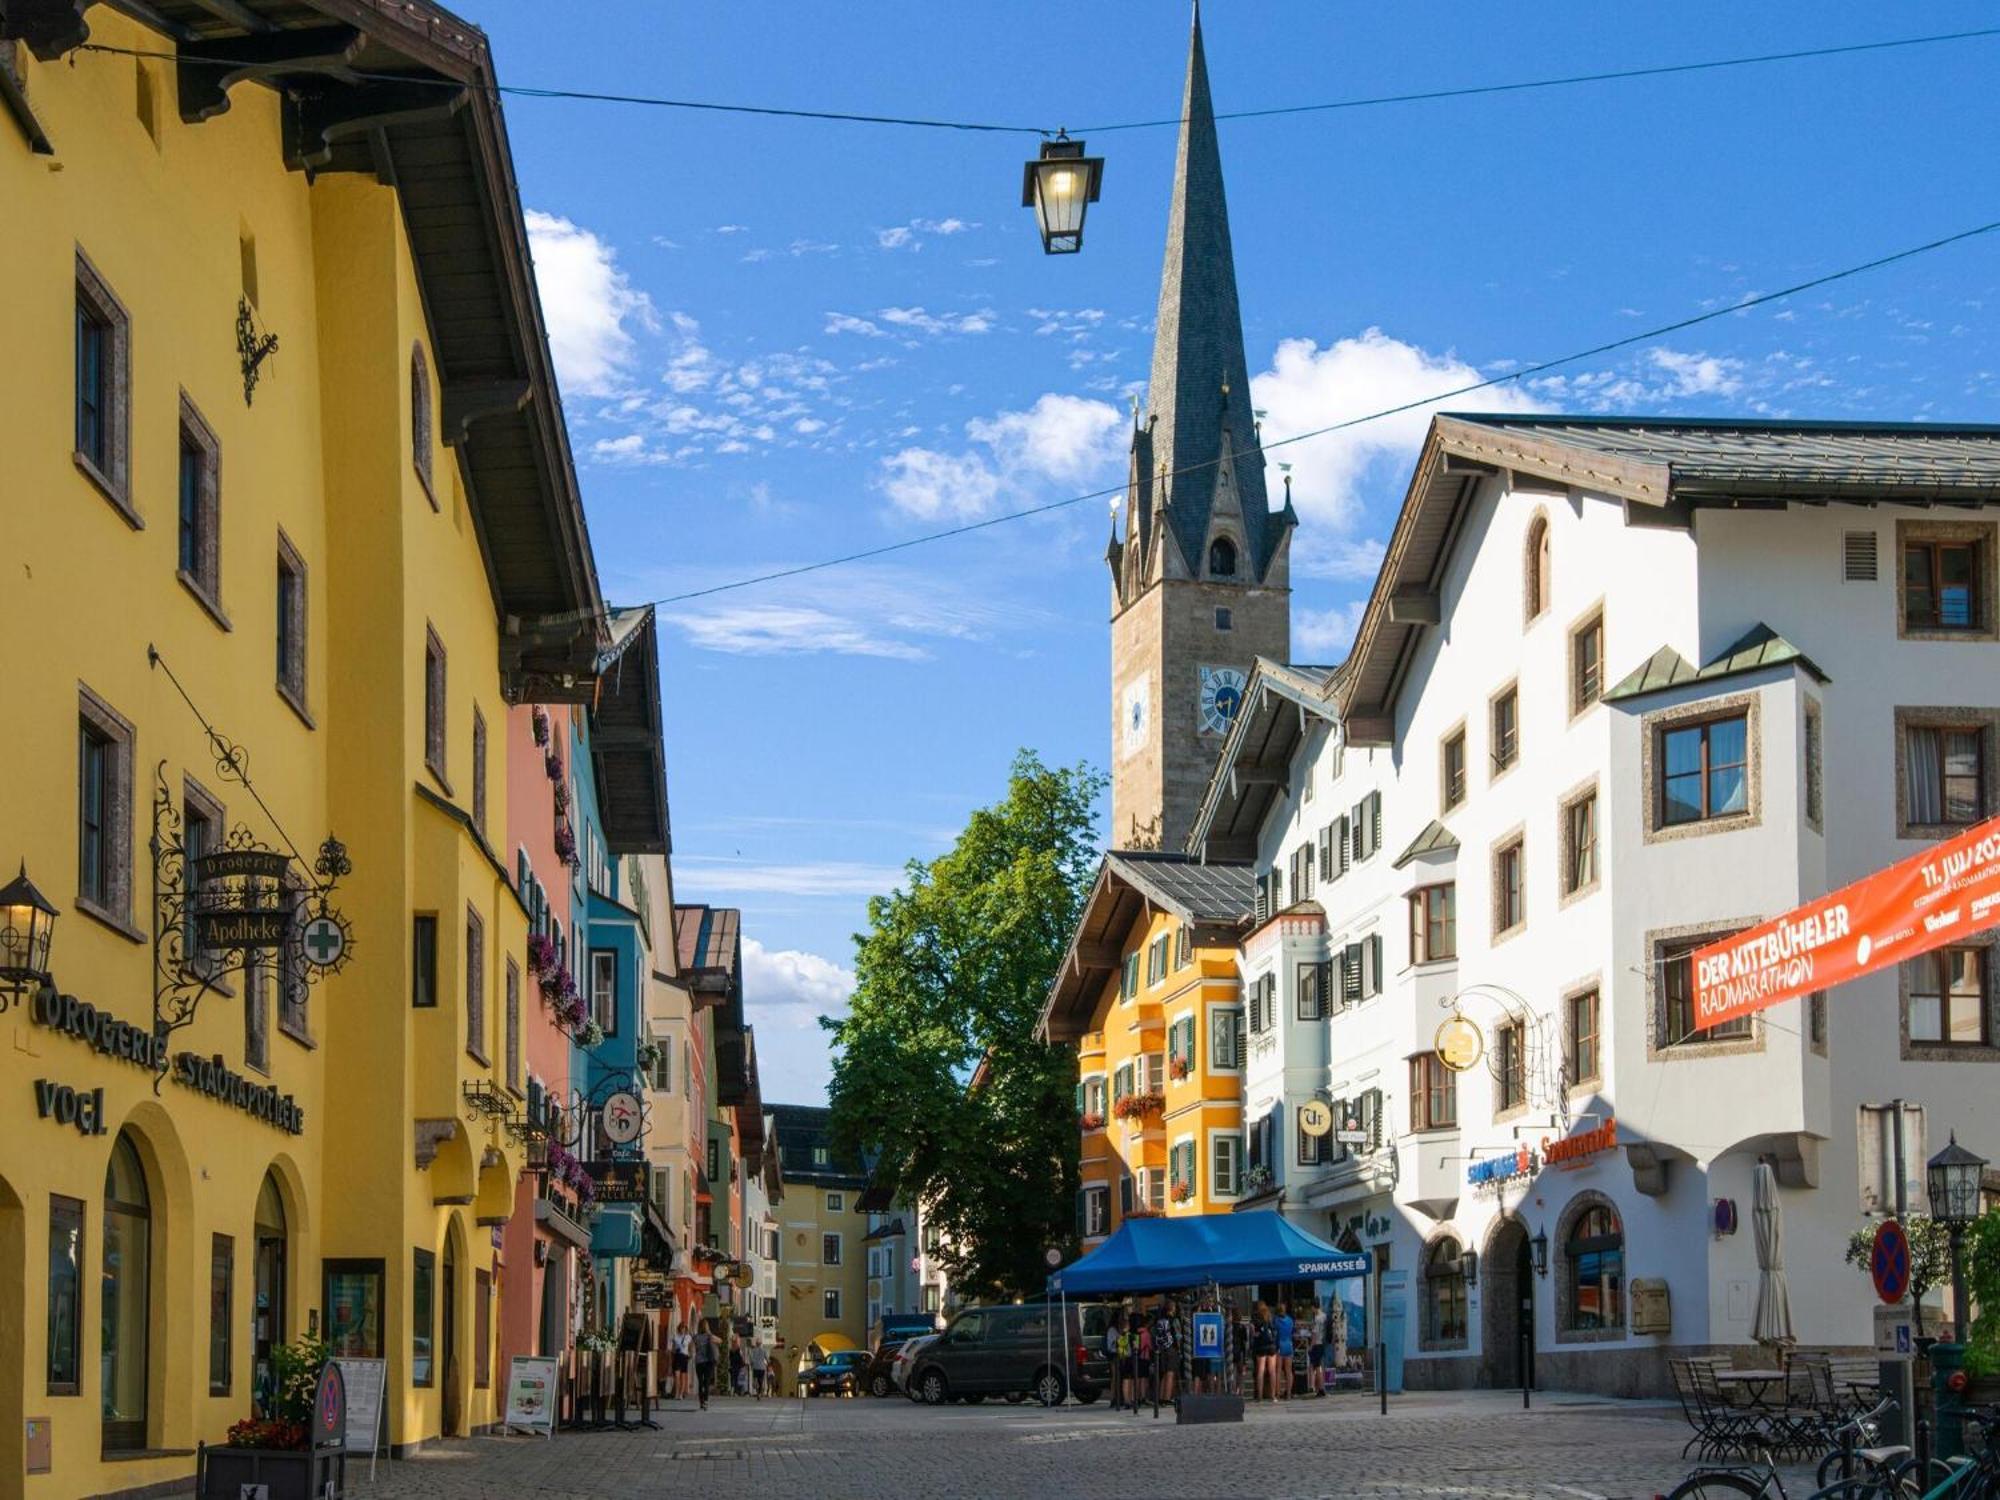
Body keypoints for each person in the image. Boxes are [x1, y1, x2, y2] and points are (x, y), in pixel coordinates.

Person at [1251, 1302, 1277, 1401]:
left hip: (1260, 1346)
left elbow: (1254, 1333)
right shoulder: (1269, 1316)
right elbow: (1274, 1330)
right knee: (1272, 1370)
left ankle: (1260, 1396)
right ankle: (1273, 1395)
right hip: (1271, 1345)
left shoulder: (1256, 1317)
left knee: (1260, 1370)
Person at [692, 1318, 719, 1410]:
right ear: (707, 1326)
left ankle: (701, 1402)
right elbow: (720, 1340)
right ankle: (706, 1402)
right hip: (708, 1361)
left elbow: (692, 1348)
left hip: (699, 1361)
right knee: (706, 1381)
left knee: (700, 1382)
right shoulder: (709, 1336)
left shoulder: (695, 1337)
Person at [1103, 1309, 1127, 1410]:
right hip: (1114, 1356)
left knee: (1118, 1377)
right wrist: (1122, 1335)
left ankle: (1117, 1398)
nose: (1123, 1319)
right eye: (1122, 1317)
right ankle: (1113, 1398)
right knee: (1115, 1378)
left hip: (1119, 1355)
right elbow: (1113, 1345)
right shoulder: (1112, 1330)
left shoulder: (1116, 1329)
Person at [1273, 1302, 1296, 1401]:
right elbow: (1292, 1332)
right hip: (1289, 1345)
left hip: (1280, 1346)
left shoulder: (1276, 1321)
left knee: (1278, 1371)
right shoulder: (1290, 1320)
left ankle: (1277, 1393)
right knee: (1288, 1371)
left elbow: (1275, 1335)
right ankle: (1289, 1393)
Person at [671, 1319, 693, 1401]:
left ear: (686, 1329)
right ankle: (676, 1393)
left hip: (684, 1357)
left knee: (683, 1377)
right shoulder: (675, 1337)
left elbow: (691, 1347)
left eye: (684, 1328)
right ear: (679, 1328)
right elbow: (673, 1348)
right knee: (676, 1376)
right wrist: (672, 1354)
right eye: (681, 1327)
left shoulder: (688, 1337)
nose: (682, 1329)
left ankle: (681, 1394)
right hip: (677, 1356)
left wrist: (691, 1354)